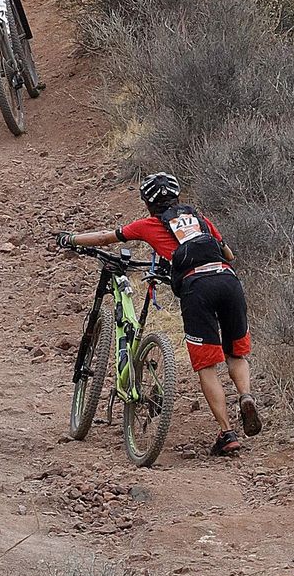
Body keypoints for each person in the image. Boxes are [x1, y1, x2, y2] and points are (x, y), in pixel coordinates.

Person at [57, 171, 262, 456]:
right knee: (235, 354)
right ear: (178, 197)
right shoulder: (201, 220)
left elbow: (107, 238)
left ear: (148, 203)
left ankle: (227, 433)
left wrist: (72, 238)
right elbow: (228, 255)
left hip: (197, 288)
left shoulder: (149, 224)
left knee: (207, 366)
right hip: (228, 280)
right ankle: (246, 396)